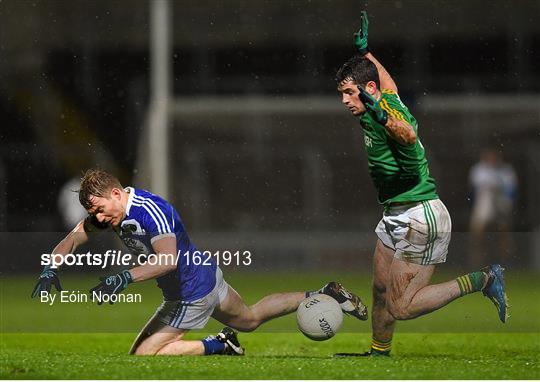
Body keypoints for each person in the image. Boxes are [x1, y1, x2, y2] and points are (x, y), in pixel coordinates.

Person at [31, 169, 368, 356]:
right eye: (93, 214)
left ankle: (218, 345)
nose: (98, 217)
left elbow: (167, 261)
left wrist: (123, 278)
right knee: (249, 319)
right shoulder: (112, 215)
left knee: (143, 355)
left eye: (100, 209)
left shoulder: (151, 211)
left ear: (116, 194)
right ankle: (322, 293)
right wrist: (51, 267)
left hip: (190, 291)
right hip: (204, 276)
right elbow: (75, 236)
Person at [334, 12, 508, 357]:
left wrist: (383, 117)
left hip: (421, 216)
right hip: (395, 213)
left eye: (348, 93)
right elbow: (388, 84)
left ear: (368, 91)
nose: (344, 100)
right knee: (380, 289)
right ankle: (379, 352)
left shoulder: (387, 114)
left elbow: (408, 133)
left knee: (401, 306)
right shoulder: (384, 97)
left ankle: (483, 279)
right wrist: (367, 53)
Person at [469, 148, 517, 268]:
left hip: (501, 202)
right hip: (484, 203)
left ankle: (506, 261)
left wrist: (507, 204)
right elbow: (474, 191)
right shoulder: (479, 170)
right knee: (477, 231)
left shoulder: (506, 170)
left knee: (504, 232)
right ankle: (478, 261)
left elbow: (511, 190)